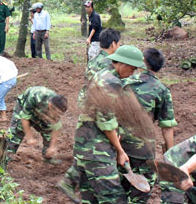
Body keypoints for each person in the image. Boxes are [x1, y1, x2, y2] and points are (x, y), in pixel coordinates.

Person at [59, 45, 146, 204]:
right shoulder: (110, 82)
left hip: (85, 143)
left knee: (89, 196)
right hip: (97, 148)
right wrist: (120, 150)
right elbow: (106, 123)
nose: (133, 73)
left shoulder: (103, 74)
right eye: (133, 69)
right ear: (124, 64)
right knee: (113, 197)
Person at [120, 48, 177, 203]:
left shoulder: (124, 83)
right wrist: (169, 154)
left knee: (119, 187)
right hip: (143, 149)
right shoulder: (161, 89)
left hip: (118, 145)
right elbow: (167, 126)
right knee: (142, 189)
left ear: (141, 63)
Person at [6, 86, 68, 165]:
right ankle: (8, 155)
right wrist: (29, 137)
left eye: (60, 114)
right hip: (24, 105)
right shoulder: (36, 97)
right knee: (18, 129)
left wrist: (52, 147)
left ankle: (48, 157)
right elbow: (24, 118)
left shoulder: (58, 107)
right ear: (50, 106)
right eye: (57, 114)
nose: (58, 116)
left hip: (42, 110)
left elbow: (56, 126)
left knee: (48, 130)